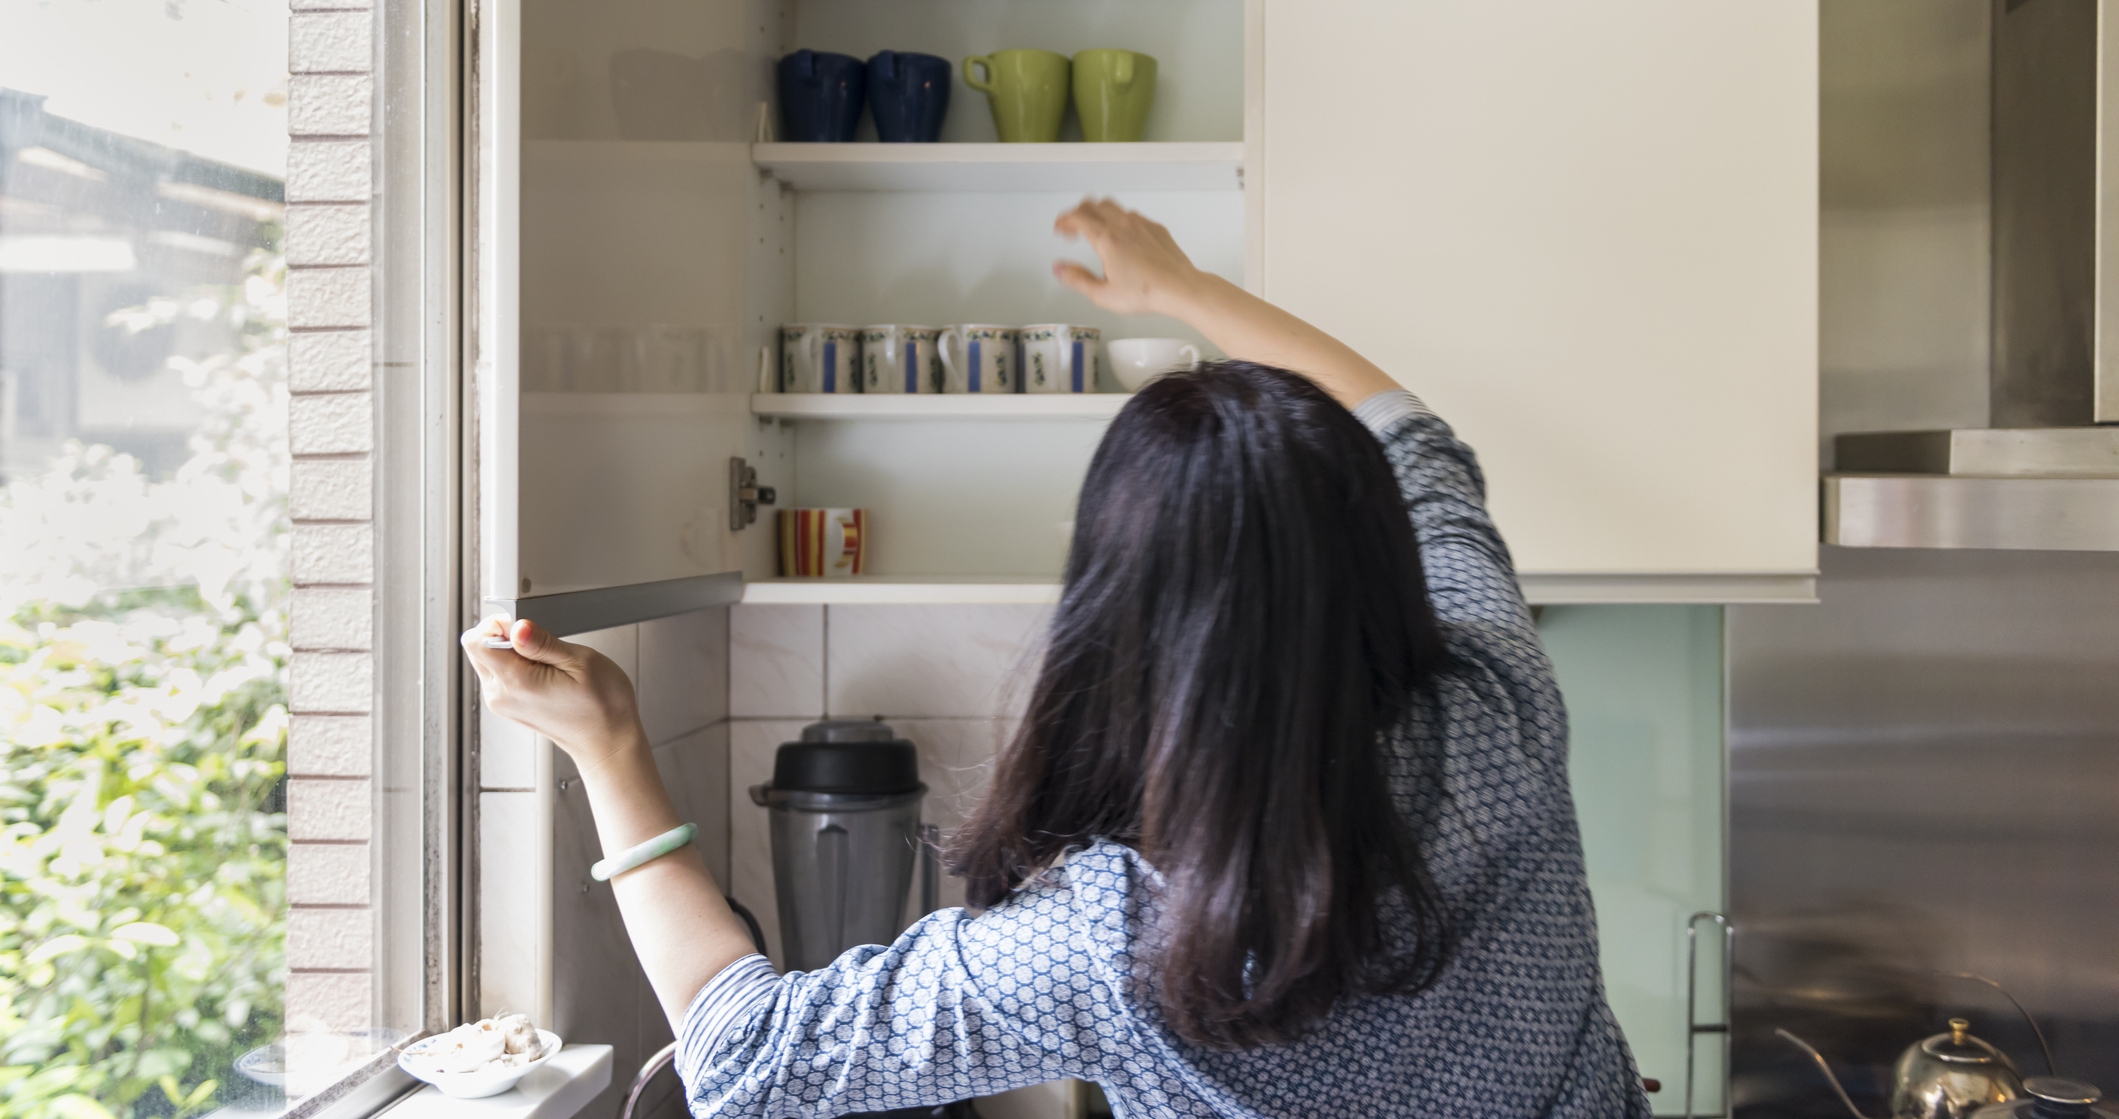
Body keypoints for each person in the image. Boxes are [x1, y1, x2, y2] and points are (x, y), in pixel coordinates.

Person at [461, 200, 1650, 1119]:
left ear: (1119, 614)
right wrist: (1186, 289)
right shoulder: (1499, 698)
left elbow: (744, 1058)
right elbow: (1414, 437)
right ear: (1377, 548)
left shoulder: (1121, 940)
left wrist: (609, 746)